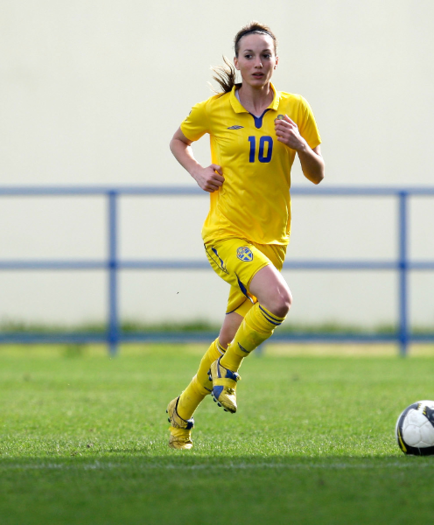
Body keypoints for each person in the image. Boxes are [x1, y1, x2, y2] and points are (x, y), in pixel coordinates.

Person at [166, 21, 324, 449]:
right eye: (249, 56)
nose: (258, 63)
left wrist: (302, 146)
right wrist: (199, 171)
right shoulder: (215, 109)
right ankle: (228, 370)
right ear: (236, 62)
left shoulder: (295, 109)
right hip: (225, 234)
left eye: (265, 55)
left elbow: (317, 174)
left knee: (227, 336)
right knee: (279, 300)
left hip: (272, 240)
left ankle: (180, 414)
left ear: (277, 61)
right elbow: (179, 141)